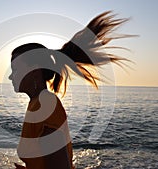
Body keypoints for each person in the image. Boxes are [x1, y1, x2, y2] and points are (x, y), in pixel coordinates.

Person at [9, 11, 132, 169]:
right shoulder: (37, 103)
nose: (11, 76)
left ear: (33, 71)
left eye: (15, 69)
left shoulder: (45, 104)